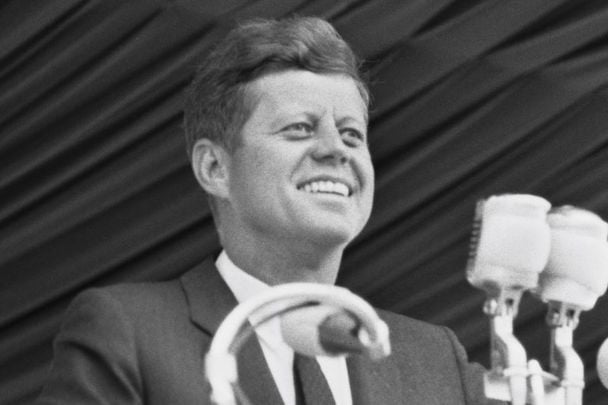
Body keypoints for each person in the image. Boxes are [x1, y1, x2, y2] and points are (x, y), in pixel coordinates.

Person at [37, 16, 491, 404]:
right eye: (299, 129)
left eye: (353, 134)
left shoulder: (435, 359)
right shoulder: (127, 331)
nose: (337, 150)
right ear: (214, 167)